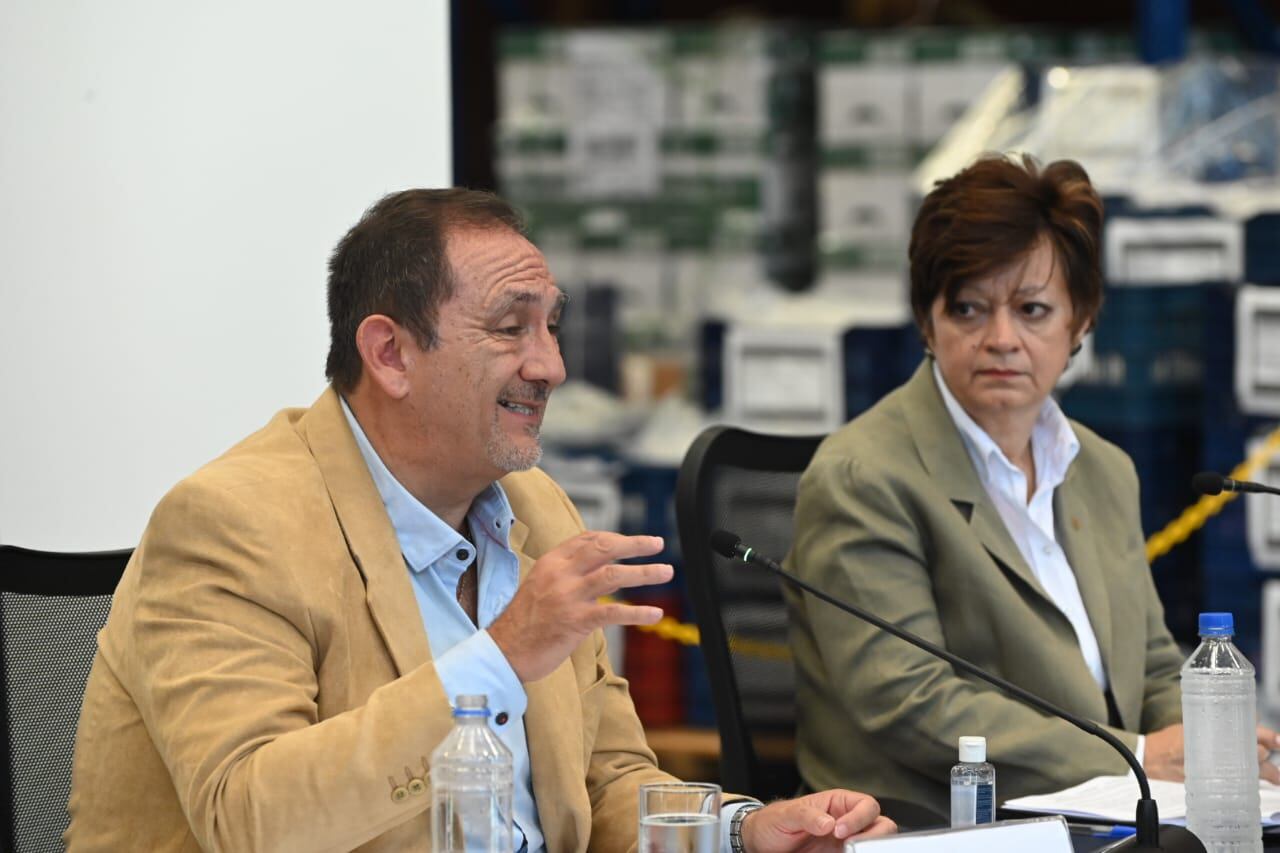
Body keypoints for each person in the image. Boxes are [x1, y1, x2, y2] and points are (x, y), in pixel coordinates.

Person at [65, 188, 895, 852]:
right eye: (509, 329)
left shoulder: (537, 508)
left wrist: (740, 831)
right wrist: (497, 658)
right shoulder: (229, 523)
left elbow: (605, 783)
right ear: (390, 353)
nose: (553, 366)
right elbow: (252, 821)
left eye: (552, 326)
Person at [785, 154, 1280, 816]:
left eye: (1033, 309)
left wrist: (1212, 746)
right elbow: (910, 701)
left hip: (1098, 819)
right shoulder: (862, 477)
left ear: (1080, 324)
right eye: (968, 308)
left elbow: (1153, 666)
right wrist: (1135, 752)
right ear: (928, 324)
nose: (1001, 338)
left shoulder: (1102, 468)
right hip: (930, 827)